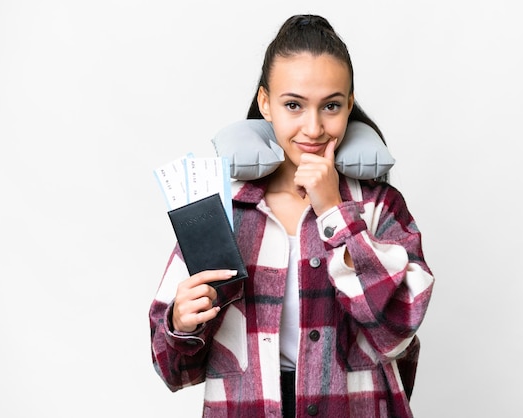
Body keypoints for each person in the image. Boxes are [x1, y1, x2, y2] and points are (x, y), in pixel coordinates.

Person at [149, 14, 434, 418]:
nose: (313, 128)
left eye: (331, 106)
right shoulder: (221, 210)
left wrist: (334, 210)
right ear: (266, 103)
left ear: (349, 105)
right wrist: (182, 322)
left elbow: (398, 329)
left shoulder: (379, 207)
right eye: (294, 105)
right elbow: (172, 370)